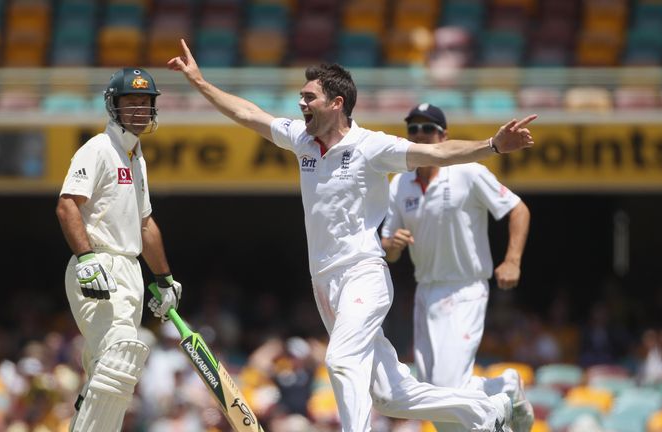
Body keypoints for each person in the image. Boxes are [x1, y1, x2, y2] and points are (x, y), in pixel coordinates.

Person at [168, 39, 534, 432]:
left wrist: (493, 145)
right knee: (391, 395)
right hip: (324, 281)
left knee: (341, 360)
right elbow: (247, 113)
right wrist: (200, 82)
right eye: (300, 97)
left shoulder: (371, 147)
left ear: (336, 102)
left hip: (363, 274)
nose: (301, 103)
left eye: (309, 97)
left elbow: (438, 155)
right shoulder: (301, 139)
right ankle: (486, 409)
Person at [381, 103, 533, 432]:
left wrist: (512, 260)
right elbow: (388, 249)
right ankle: (501, 388)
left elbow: (518, 210)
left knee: (448, 391)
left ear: (443, 135)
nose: (420, 135)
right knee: (434, 399)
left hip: (466, 288)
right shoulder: (399, 184)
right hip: (427, 291)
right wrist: (391, 246)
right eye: (413, 129)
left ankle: (502, 393)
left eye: (427, 128)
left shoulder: (468, 171)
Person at [56, 67, 183, 431]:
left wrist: (164, 278)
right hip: (98, 264)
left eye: (146, 102)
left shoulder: (136, 157)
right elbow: (67, 205)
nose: (140, 109)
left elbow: (145, 224)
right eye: (132, 102)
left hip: (130, 271)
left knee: (107, 367)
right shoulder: (97, 148)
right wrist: (86, 258)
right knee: (121, 353)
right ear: (114, 107)